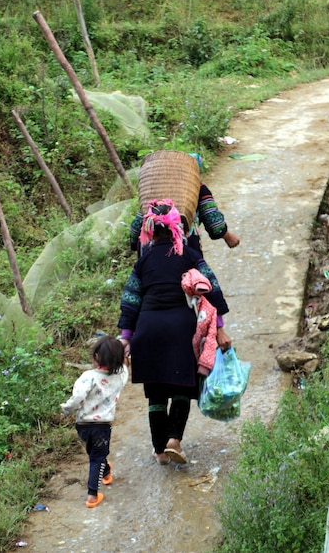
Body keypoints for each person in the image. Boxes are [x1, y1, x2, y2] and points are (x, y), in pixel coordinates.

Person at [118, 198, 231, 465]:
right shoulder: (190, 256)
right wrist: (220, 329)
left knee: (156, 395)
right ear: (177, 229)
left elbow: (131, 298)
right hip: (180, 329)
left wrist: (126, 338)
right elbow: (210, 289)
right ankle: (174, 440)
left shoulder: (143, 262)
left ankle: (159, 452)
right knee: (182, 387)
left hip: (147, 329)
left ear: (151, 232)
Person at [61, 335, 128, 508]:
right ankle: (92, 494)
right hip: (102, 427)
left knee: (95, 454)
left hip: (83, 425)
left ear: (96, 356)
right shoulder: (120, 377)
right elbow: (125, 369)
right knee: (97, 456)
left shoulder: (88, 377)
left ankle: (104, 474)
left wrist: (67, 409)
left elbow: (78, 398)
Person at [130, 153, 240, 257]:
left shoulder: (155, 190)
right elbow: (214, 222)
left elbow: (137, 225)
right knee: (198, 276)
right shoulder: (198, 189)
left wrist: (134, 243)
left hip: (148, 254)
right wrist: (228, 237)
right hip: (184, 250)